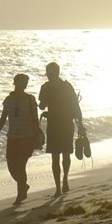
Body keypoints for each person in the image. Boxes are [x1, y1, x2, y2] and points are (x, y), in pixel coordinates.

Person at [0, 73, 42, 205]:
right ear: (15, 82)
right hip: (12, 137)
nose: (24, 84)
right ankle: (23, 185)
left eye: (25, 82)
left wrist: (37, 136)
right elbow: (3, 119)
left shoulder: (30, 99)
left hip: (27, 137)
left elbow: (35, 120)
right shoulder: (8, 100)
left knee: (20, 165)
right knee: (11, 166)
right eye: (21, 82)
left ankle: (20, 196)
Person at [38, 61, 84, 196]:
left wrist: (80, 125)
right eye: (48, 73)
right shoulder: (51, 87)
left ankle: (63, 181)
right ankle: (60, 185)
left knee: (62, 154)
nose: (49, 75)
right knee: (58, 155)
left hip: (62, 124)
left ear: (56, 73)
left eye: (51, 73)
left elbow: (76, 106)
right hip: (58, 124)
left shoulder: (61, 86)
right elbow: (42, 106)